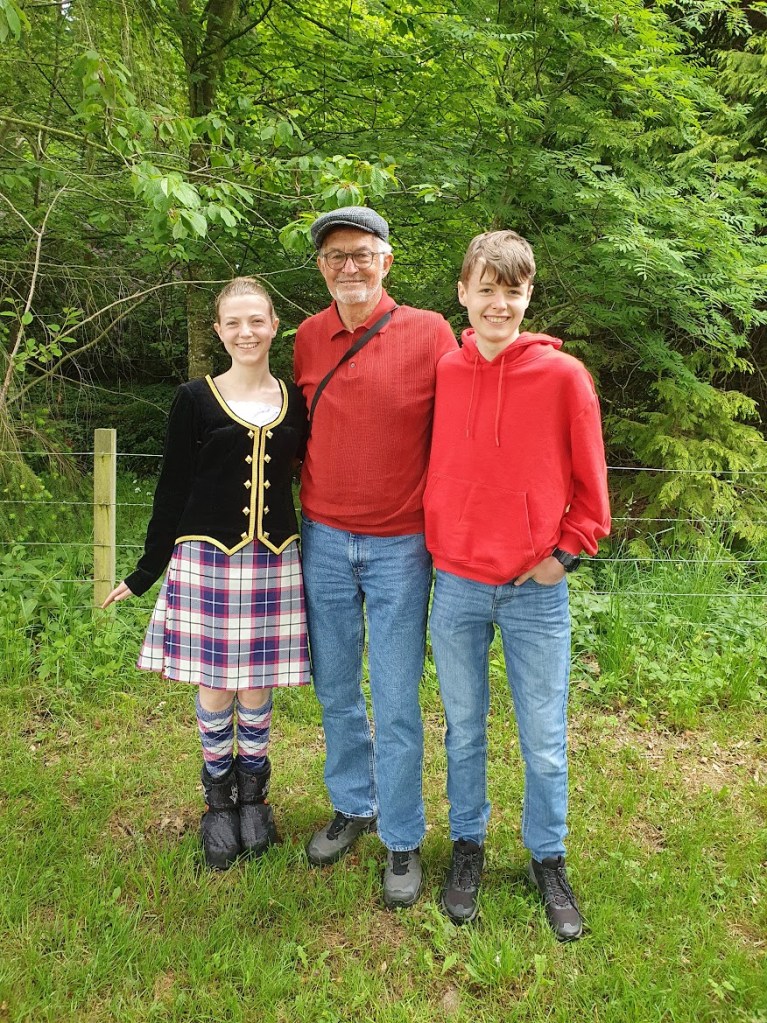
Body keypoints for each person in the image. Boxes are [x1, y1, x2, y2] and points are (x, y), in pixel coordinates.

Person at [424, 230, 611, 939]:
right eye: (486, 288)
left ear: (528, 297)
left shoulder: (563, 377)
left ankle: (547, 856)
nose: (498, 303)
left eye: (513, 290)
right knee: (464, 729)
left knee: (542, 737)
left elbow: (592, 488)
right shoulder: (444, 369)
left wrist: (564, 554)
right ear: (463, 292)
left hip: (535, 590)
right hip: (458, 584)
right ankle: (467, 845)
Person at [102, 276, 310, 870]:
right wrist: (147, 569)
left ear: (274, 326)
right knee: (217, 682)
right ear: (219, 331)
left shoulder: (295, 398)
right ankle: (218, 802)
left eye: (257, 321)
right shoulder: (194, 399)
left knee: (258, 685)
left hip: (274, 561)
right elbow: (172, 487)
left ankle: (255, 798)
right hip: (206, 562)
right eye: (234, 323)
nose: (246, 332)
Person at [294, 206, 457, 908]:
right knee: (334, 688)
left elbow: (467, 424)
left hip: (400, 544)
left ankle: (401, 834)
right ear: (322, 269)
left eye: (360, 253)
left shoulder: (427, 333)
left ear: (386, 259)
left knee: (393, 697)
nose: (348, 266)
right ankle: (352, 805)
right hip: (323, 538)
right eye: (334, 257)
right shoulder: (305, 337)